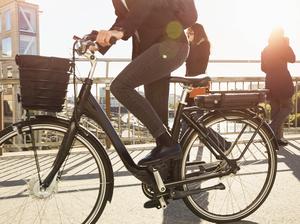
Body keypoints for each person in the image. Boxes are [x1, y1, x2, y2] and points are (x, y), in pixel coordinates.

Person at [94, 0, 193, 165]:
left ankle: (169, 146)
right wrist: (98, 43)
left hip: (171, 45)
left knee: (120, 86)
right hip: (153, 52)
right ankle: (171, 177)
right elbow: (124, 18)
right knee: (158, 119)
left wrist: (120, 31)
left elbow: (142, 7)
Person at [261, 27, 296, 146]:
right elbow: (293, 59)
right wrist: (287, 44)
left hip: (270, 81)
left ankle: (276, 139)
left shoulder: (266, 49)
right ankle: (270, 129)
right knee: (288, 107)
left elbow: (263, 68)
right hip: (283, 81)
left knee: (275, 110)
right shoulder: (283, 46)